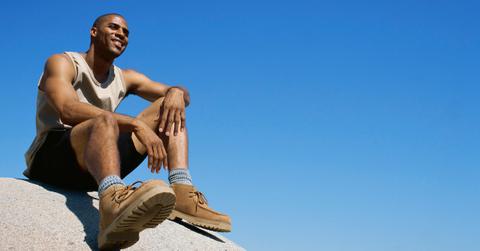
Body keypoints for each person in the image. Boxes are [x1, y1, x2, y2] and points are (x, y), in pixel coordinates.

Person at [24, 13, 231, 250]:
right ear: (94, 32)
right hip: (53, 157)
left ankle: (182, 191)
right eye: (113, 27)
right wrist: (135, 124)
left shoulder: (126, 76)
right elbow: (68, 110)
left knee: (168, 105)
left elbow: (182, 95)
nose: (121, 34)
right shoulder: (63, 62)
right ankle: (111, 206)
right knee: (104, 120)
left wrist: (175, 92)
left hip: (95, 160)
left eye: (126, 32)